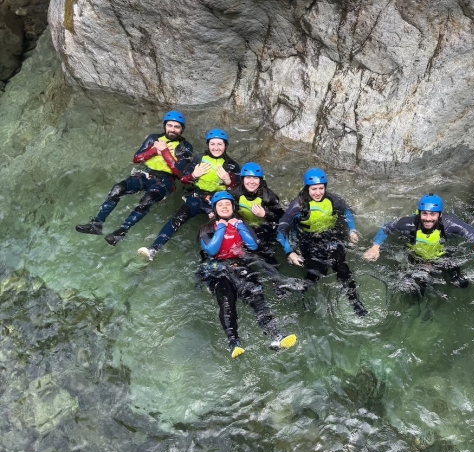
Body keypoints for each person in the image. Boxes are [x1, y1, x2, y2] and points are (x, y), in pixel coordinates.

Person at [199, 191, 297, 358]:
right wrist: (222, 226)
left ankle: (276, 336)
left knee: (256, 298)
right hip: (217, 268)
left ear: (233, 207)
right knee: (227, 301)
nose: (224, 207)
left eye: (228, 204)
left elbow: (252, 246)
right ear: (214, 209)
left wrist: (240, 226)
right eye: (220, 205)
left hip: (240, 265)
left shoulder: (241, 223)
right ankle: (233, 342)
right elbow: (212, 249)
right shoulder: (207, 228)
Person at [75, 111, 193, 245]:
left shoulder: (186, 147)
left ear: (182, 129)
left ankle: (121, 232)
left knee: (147, 200)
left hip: (165, 180)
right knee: (118, 189)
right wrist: (154, 150)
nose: (172, 129)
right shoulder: (153, 139)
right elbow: (137, 158)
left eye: (176, 127)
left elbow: (178, 170)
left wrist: (165, 151)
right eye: (170, 125)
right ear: (165, 126)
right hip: (145, 174)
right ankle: (96, 224)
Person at [137, 129, 240, 261]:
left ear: (225, 146)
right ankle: (153, 249)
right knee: (177, 219)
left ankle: (221, 260)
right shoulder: (199, 158)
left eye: (220, 144)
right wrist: (194, 175)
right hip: (198, 198)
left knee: (222, 229)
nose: (216, 147)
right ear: (208, 145)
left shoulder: (232, 166)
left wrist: (228, 181)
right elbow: (184, 179)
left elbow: (237, 191)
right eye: (213, 144)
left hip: (219, 202)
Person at [277, 168, 368, 316]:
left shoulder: (332, 199)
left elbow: (347, 211)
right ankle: (299, 297)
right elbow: (281, 230)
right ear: (307, 189)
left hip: (330, 234)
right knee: (317, 270)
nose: (318, 192)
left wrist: (352, 230)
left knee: (341, 267)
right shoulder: (298, 206)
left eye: (321, 188)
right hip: (307, 237)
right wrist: (290, 252)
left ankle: (355, 302)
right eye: (314, 189)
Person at [363, 194, 474, 289]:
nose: (428, 219)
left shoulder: (451, 224)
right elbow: (387, 227)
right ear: (419, 213)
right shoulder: (407, 223)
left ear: (439, 215)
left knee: (461, 283)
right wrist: (375, 246)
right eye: (424, 214)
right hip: (415, 255)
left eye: (432, 214)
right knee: (415, 289)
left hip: (441, 254)